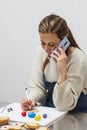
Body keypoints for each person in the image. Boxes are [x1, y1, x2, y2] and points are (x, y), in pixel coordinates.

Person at [21, 14, 87, 112]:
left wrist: (63, 72)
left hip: (75, 116)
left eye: (51, 44)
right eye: (43, 43)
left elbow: (64, 106)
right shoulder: (41, 51)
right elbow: (38, 87)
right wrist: (31, 100)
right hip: (52, 114)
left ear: (65, 40)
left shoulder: (78, 59)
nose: (46, 49)